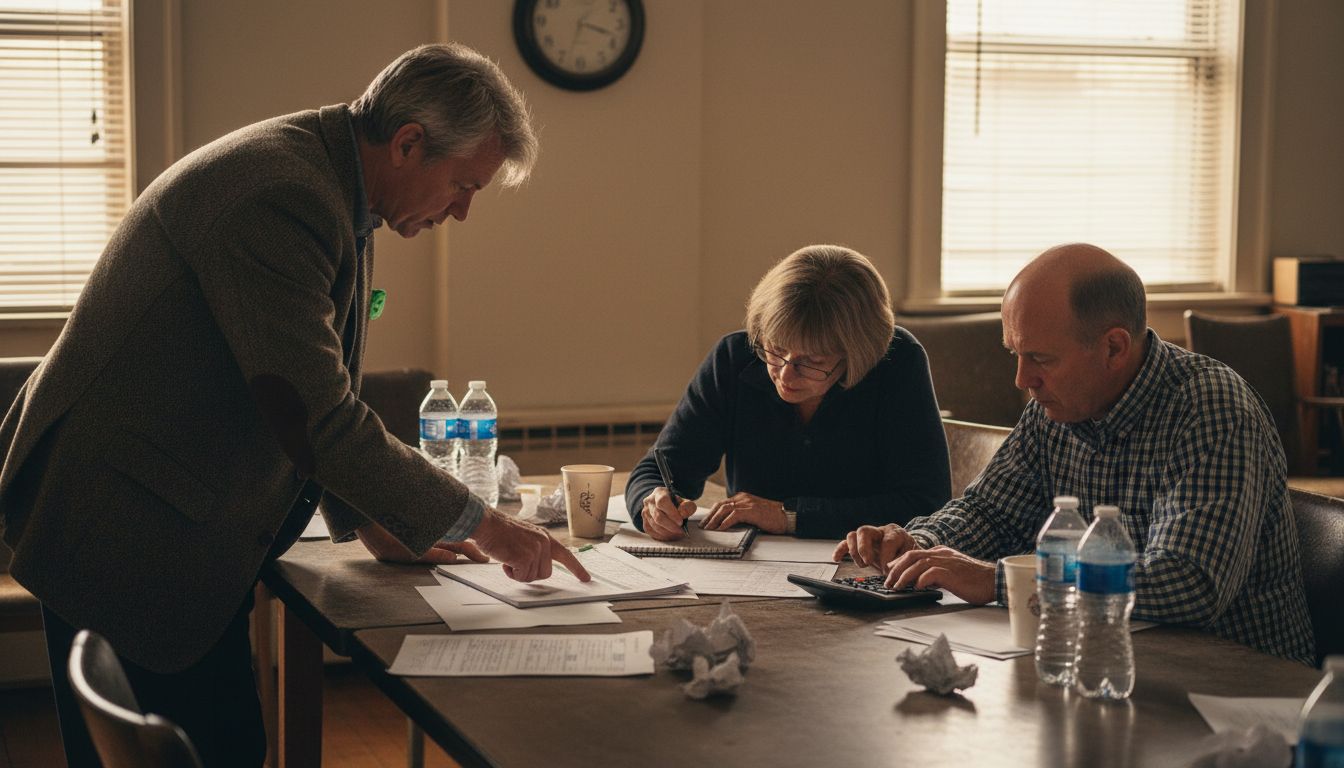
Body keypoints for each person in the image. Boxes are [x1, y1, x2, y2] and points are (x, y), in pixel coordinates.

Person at [0, 43, 588, 767]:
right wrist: (491, 527)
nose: (463, 212)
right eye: (463, 185)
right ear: (409, 144)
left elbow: (302, 392)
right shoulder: (283, 194)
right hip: (127, 522)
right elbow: (318, 416)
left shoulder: (331, 179)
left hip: (157, 506)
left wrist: (371, 518)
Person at [836, 243, 1316, 664]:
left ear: (1113, 347)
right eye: (1015, 355)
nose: (1022, 380)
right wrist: (920, 545)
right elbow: (992, 514)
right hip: (1108, 664)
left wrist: (1002, 581)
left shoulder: (1213, 411)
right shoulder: (1057, 405)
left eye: (1040, 359)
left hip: (1233, 687)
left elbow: (1188, 583)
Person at [626, 244, 951, 541]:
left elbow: (925, 503)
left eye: (812, 361)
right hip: (748, 570)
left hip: (863, 567)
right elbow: (659, 469)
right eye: (776, 349)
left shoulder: (897, 363)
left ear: (856, 355)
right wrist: (652, 503)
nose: (784, 373)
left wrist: (790, 516)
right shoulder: (735, 357)